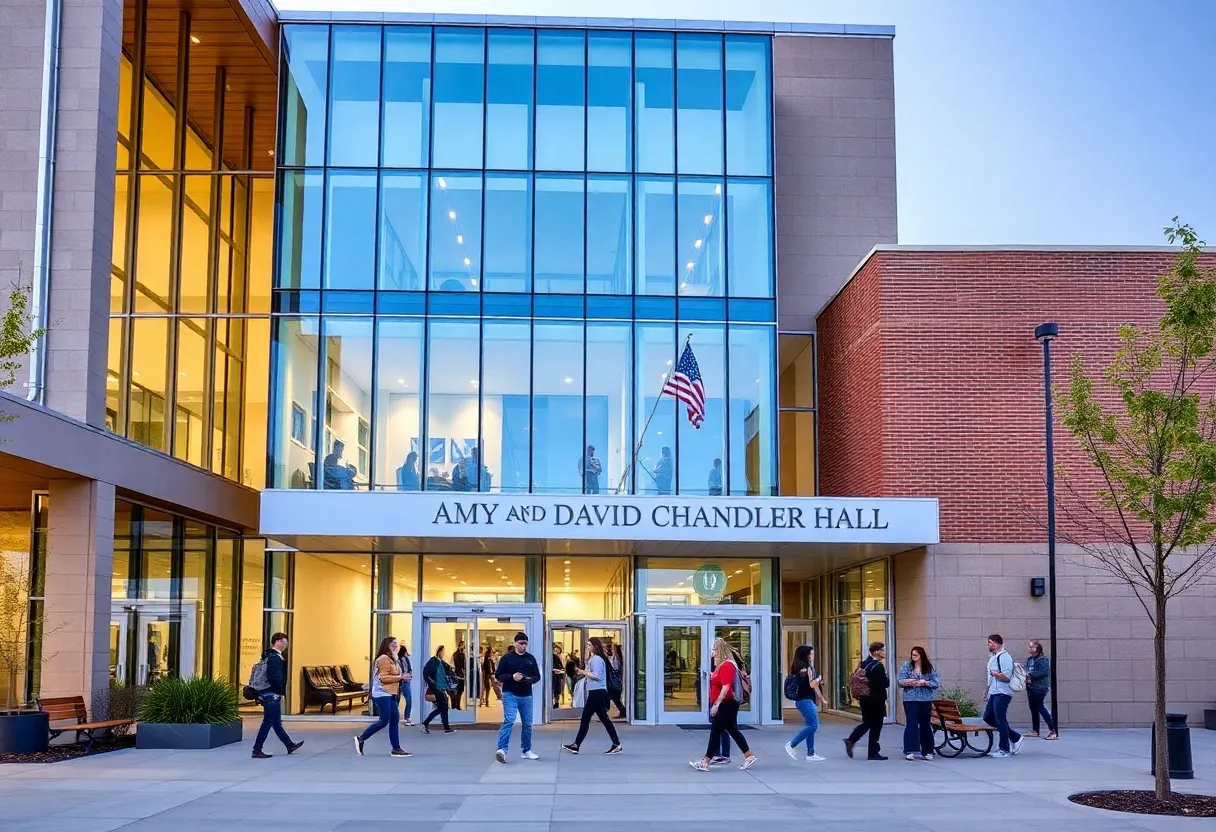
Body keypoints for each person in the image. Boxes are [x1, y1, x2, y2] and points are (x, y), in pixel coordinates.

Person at [689, 638, 757, 772]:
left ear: (719, 650)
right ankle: (749, 755)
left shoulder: (727, 665)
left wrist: (716, 704)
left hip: (726, 703)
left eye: (714, 650)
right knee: (732, 730)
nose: (712, 653)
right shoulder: (724, 665)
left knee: (716, 731)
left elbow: (726, 686)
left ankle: (705, 761)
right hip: (727, 703)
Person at [562, 637, 622, 755]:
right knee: (603, 719)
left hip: (597, 693)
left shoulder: (597, 659)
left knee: (586, 719)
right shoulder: (594, 659)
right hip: (596, 692)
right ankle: (616, 743)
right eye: (587, 645)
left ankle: (576, 745)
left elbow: (597, 675)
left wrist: (582, 671)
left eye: (590, 645)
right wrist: (580, 672)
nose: (588, 647)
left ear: (595, 646)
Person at [354, 636, 410, 758]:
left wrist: (402, 675)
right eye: (392, 644)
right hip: (382, 693)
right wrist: (400, 677)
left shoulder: (393, 659)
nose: (395, 646)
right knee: (384, 721)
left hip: (390, 693)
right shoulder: (384, 659)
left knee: (394, 720)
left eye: (396, 644)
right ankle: (361, 738)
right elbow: (383, 678)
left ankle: (396, 748)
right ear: (386, 646)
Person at [251, 632, 303, 759]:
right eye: (284, 642)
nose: (286, 645)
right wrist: (279, 691)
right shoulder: (274, 658)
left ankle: (289, 744)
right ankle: (257, 749)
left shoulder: (268, 656)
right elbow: (275, 677)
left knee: (276, 722)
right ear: (277, 642)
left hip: (268, 693)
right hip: (271, 695)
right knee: (268, 722)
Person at [494, 631, 541, 763]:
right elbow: (498, 675)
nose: (523, 646)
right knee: (509, 720)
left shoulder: (530, 658)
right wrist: (512, 677)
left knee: (527, 724)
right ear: (515, 643)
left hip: (526, 694)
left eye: (525, 644)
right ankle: (502, 749)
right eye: (521, 643)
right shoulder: (506, 658)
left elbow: (537, 676)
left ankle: (526, 750)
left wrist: (530, 679)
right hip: (510, 693)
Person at [844, 641, 889, 761]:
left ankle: (852, 740)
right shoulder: (878, 666)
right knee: (876, 725)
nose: (884, 652)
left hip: (864, 698)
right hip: (876, 699)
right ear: (876, 652)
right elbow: (885, 683)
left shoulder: (864, 663)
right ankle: (872, 752)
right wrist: (886, 677)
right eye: (882, 650)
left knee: (868, 722)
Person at [784, 644, 827, 762]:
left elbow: (813, 685)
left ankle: (811, 753)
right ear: (806, 655)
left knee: (810, 725)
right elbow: (812, 684)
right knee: (813, 725)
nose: (812, 656)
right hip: (805, 700)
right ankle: (792, 744)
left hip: (803, 700)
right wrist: (819, 679)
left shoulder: (799, 667)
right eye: (811, 654)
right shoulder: (805, 668)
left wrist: (821, 698)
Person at [983, 634, 1023, 758]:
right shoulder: (993, 657)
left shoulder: (1004, 657)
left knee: (1000, 720)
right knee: (988, 717)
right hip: (994, 692)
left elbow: (1007, 677)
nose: (988, 645)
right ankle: (1015, 737)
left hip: (1003, 693)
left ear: (996, 643)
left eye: (990, 642)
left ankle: (1004, 749)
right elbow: (990, 677)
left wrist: (996, 674)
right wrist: (987, 690)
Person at [896, 645, 939, 761]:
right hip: (910, 699)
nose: (913, 657)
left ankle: (928, 750)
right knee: (911, 723)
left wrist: (925, 683)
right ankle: (910, 750)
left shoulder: (928, 667)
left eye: (916, 655)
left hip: (925, 699)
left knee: (925, 724)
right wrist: (909, 682)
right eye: (912, 655)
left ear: (921, 656)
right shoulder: (907, 666)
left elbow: (936, 683)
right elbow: (900, 681)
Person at [1025, 640, 1058, 740]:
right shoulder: (1030, 659)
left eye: (1032, 647)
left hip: (1040, 688)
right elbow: (1027, 670)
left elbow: (1041, 672)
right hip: (1030, 687)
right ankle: (1035, 730)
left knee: (1040, 707)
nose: (1030, 649)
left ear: (1038, 649)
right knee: (1033, 709)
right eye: (1029, 647)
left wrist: (1029, 676)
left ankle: (1053, 731)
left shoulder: (1043, 659)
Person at [421, 645, 456, 734]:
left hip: (442, 687)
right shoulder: (433, 661)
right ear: (439, 652)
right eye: (443, 652)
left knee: (442, 708)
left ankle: (427, 723)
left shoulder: (442, 662)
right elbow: (426, 672)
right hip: (436, 687)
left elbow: (448, 672)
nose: (444, 654)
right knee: (443, 708)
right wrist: (431, 683)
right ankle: (446, 727)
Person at [606, 643, 626, 719]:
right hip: (616, 680)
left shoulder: (616, 657)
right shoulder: (614, 657)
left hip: (615, 681)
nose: (612, 649)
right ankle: (623, 711)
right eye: (612, 648)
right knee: (616, 698)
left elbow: (615, 668)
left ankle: (623, 711)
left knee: (616, 698)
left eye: (613, 648)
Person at [399, 643, 414, 726]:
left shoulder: (402, 659)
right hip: (404, 681)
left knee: (396, 700)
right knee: (409, 700)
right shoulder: (404, 659)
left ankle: (405, 717)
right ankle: (407, 717)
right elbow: (407, 670)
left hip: (404, 681)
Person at [451, 641, 467, 710]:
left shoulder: (456, 654)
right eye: (462, 645)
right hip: (459, 675)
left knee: (458, 691)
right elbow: (462, 665)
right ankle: (457, 706)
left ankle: (457, 705)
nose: (463, 647)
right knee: (459, 691)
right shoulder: (460, 655)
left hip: (458, 675)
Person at [552, 643, 566, 708]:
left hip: (556, 676)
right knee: (554, 690)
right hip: (553, 676)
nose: (555, 651)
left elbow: (561, 666)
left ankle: (556, 703)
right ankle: (555, 702)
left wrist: (560, 670)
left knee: (556, 691)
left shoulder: (555, 657)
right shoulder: (550, 656)